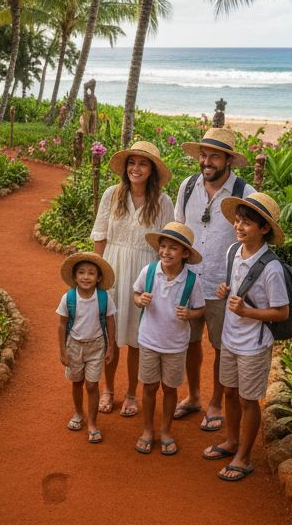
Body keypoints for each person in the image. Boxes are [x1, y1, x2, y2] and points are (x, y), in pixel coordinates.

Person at [203, 192, 290, 482]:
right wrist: (225, 291)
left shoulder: (272, 268)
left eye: (247, 223)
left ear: (264, 229)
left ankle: (244, 456)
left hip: (254, 343)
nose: (239, 227)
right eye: (238, 220)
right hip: (230, 337)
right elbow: (237, 287)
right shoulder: (233, 252)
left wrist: (247, 312)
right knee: (229, 391)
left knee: (248, 399)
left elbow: (281, 312)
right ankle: (232, 441)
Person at [173, 127, 255, 432]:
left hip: (224, 285)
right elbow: (179, 229)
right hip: (190, 281)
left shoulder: (244, 193)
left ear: (229, 160)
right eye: (203, 155)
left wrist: (243, 284)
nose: (206, 162)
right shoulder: (188, 186)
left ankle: (216, 403)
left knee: (222, 346)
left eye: (214, 157)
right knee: (189, 342)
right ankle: (194, 395)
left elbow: (253, 241)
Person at [91, 140, 174, 419]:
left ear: (152, 170)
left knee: (138, 337)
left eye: (143, 164)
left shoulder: (163, 202)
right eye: (132, 162)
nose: (135, 168)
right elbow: (100, 236)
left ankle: (130, 393)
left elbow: (168, 244)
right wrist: (98, 275)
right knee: (111, 334)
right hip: (113, 268)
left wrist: (163, 282)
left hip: (145, 272)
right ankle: (108, 389)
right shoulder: (112, 194)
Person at [131, 222, 206, 456]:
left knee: (170, 388)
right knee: (149, 386)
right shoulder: (149, 271)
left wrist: (190, 314)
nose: (166, 252)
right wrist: (140, 300)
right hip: (149, 340)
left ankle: (165, 431)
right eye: (163, 246)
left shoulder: (192, 280)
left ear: (185, 253)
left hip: (175, 345)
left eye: (173, 248)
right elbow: (136, 294)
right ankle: (147, 430)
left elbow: (200, 309)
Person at [55, 252, 117, 443]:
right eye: (81, 272)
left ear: (98, 278)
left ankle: (92, 423)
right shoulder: (68, 298)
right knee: (77, 382)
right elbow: (62, 325)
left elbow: (110, 321)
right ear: (75, 277)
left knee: (92, 384)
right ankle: (78, 413)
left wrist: (111, 346)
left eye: (91, 273)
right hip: (74, 345)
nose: (86, 277)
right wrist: (62, 351)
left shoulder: (104, 297)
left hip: (97, 345)